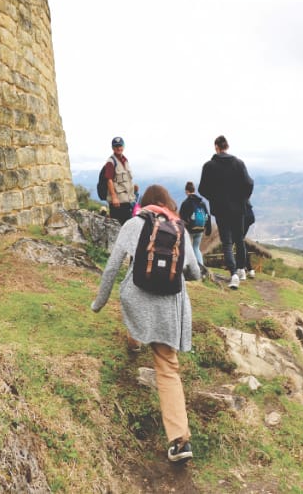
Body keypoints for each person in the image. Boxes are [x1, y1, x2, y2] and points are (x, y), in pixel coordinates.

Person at [91, 185, 202, 463]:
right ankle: (179, 441)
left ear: (146, 204)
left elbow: (112, 266)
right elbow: (195, 273)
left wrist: (99, 302)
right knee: (167, 368)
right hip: (168, 308)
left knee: (133, 304)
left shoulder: (133, 224)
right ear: (167, 203)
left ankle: (134, 339)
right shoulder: (180, 229)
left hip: (138, 301)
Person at [198, 135, 254, 290]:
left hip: (221, 210)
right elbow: (249, 183)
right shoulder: (239, 163)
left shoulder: (209, 166)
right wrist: (242, 199)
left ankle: (234, 274)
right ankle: (242, 270)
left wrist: (215, 198)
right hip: (238, 209)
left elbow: (202, 189)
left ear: (216, 147)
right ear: (227, 146)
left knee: (227, 242)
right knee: (239, 239)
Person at [178, 181, 211, 273]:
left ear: (186, 191)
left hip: (190, 229)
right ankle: (201, 268)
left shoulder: (186, 203)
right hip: (200, 228)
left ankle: (187, 267)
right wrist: (208, 229)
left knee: (186, 247)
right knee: (196, 247)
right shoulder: (202, 202)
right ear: (194, 190)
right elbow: (207, 215)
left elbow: (181, 217)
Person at [104, 136, 138, 223]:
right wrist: (114, 197)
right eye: (116, 146)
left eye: (120, 146)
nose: (118, 148)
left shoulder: (125, 161)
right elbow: (109, 180)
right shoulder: (111, 162)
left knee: (127, 226)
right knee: (119, 227)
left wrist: (134, 189)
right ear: (112, 148)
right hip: (118, 203)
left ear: (123, 146)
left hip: (128, 201)